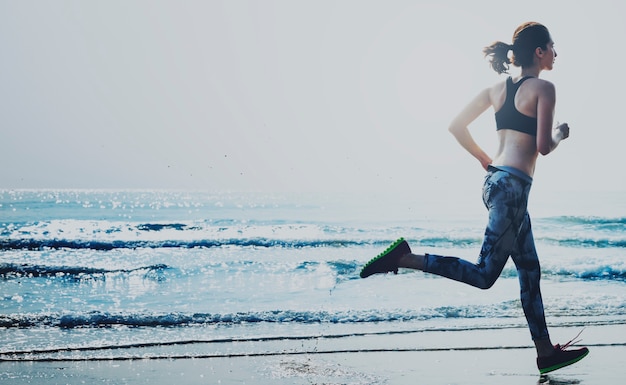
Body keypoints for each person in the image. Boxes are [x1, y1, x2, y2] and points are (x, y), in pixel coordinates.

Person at [359, 22, 589, 374]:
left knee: (529, 269)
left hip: (497, 183)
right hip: (512, 189)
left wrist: (484, 159)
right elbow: (543, 146)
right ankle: (406, 258)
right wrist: (560, 133)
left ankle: (545, 352)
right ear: (539, 52)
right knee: (484, 275)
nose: (556, 53)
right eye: (552, 46)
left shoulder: (496, 89)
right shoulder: (544, 88)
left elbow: (456, 126)